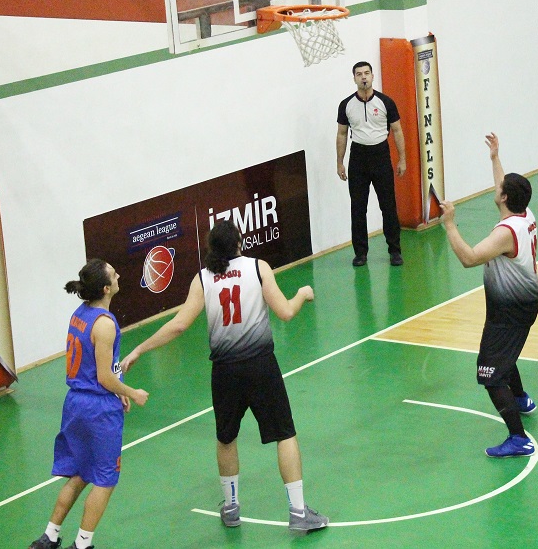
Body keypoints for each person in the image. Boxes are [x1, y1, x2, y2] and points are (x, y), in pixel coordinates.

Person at [120, 220, 328, 532]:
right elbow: (285, 312)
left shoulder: (203, 279)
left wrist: (139, 349)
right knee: (284, 434)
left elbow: (179, 325)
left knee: (226, 438)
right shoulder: (257, 268)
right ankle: (298, 513)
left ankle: (231, 508)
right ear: (239, 243)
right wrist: (302, 294)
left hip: (225, 371)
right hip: (260, 366)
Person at [29, 260, 150, 549]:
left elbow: (97, 366)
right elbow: (104, 377)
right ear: (106, 288)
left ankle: (49, 536)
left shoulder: (80, 314)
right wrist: (131, 392)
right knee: (105, 480)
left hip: (75, 404)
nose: (119, 275)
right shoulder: (105, 324)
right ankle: (82, 544)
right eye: (114, 274)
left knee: (81, 472)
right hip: (99, 410)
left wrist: (117, 387)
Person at [439, 133, 538, 458]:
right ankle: (521, 398)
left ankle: (518, 438)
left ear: (505, 197)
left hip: (510, 310)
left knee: (490, 373)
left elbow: (469, 258)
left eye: (500, 189)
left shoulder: (504, 233)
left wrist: (450, 225)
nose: (497, 189)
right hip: (521, 304)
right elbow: (504, 186)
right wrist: (495, 157)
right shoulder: (525, 215)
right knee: (505, 354)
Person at [336, 60, 407, 267]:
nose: (363, 77)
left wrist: (402, 159)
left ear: (372, 76)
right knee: (358, 208)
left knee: (388, 206)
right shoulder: (346, 105)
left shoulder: (386, 102)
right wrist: (340, 162)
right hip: (358, 158)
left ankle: (395, 251)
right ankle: (360, 253)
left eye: (366, 73)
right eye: (359, 74)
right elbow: (341, 134)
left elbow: (397, 130)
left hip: (380, 155)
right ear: (354, 79)